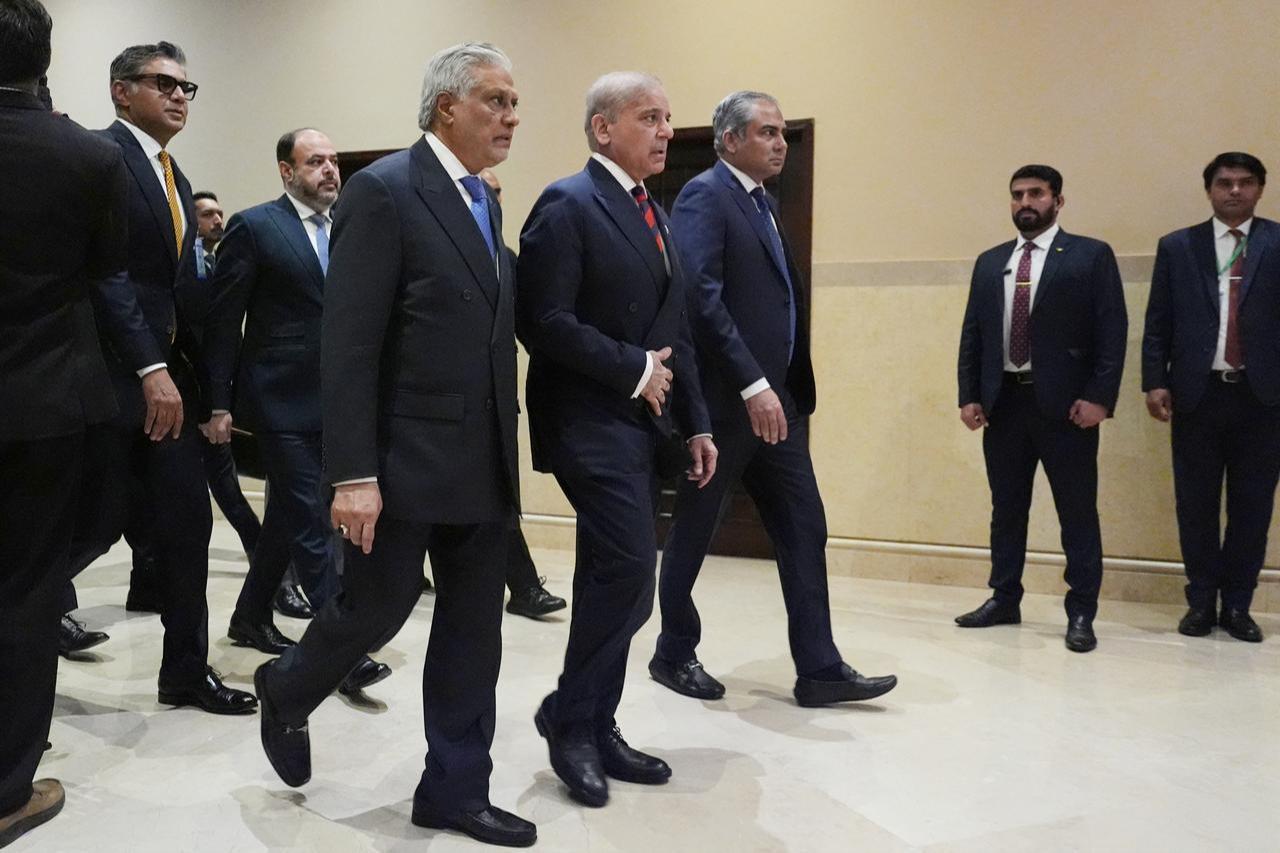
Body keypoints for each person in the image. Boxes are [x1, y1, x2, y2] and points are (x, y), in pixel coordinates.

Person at [253, 43, 535, 848]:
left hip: (482, 459)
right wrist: (352, 473)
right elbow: (348, 345)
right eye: (496, 100)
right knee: (373, 608)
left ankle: (455, 789)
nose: (512, 116)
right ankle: (287, 687)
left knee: (474, 630)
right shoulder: (384, 191)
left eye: (514, 103)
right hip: (401, 460)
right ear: (447, 106)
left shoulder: (483, 200)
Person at [654, 90, 897, 705]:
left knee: (804, 526)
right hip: (726, 404)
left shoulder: (761, 202)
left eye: (783, 133)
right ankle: (672, 652)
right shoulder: (706, 195)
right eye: (767, 132)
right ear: (730, 140)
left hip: (777, 405)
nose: (780, 143)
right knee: (695, 530)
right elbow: (701, 298)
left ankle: (819, 668)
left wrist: (777, 386)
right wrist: (751, 382)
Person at [517, 71, 717, 808]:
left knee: (614, 576)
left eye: (667, 118)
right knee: (632, 571)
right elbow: (542, 320)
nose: (666, 131)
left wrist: (697, 420)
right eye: (649, 117)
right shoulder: (568, 203)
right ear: (603, 128)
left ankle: (592, 723)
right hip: (585, 420)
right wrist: (633, 369)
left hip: (642, 425)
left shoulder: (653, 212)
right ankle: (571, 718)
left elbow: (677, 329)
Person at [63, 40, 257, 712]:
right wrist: (149, 364)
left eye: (185, 87)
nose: (179, 95)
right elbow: (106, 274)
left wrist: (209, 389)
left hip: (167, 386)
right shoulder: (102, 157)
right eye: (162, 83)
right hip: (112, 379)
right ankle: (24, 634)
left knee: (186, 523)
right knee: (88, 525)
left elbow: (176, 290)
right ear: (121, 91)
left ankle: (185, 672)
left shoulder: (172, 173)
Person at [0, 0, 124, 844]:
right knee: (25, 594)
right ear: (43, 59)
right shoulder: (88, 155)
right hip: (41, 404)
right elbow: (106, 270)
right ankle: (7, 786)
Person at [202, 128, 388, 691]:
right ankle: (343, 652)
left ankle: (249, 616)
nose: (329, 170)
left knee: (287, 516)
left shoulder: (349, 228)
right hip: (278, 399)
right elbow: (223, 321)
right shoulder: (256, 226)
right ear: (287, 171)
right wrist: (217, 402)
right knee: (312, 521)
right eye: (315, 162)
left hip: (337, 402)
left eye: (333, 161)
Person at [955, 164, 1127, 653]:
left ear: (1058, 201)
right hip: (1004, 403)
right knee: (1007, 509)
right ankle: (1004, 597)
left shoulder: (1090, 255)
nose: (1025, 202)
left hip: (1068, 407)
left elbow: (1111, 330)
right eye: (1017, 195)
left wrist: (1100, 398)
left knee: (1077, 510)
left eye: (1036, 193)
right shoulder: (991, 262)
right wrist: (969, 393)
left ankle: (1081, 610)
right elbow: (973, 333)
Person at [1142, 152, 1279, 643]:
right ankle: (1201, 601)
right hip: (1197, 396)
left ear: (1260, 188)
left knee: (1252, 506)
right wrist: (1155, 380)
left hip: (1263, 399)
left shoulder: (1277, 242)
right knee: (1195, 504)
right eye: (1224, 183)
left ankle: (1238, 605)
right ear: (1209, 190)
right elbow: (1158, 321)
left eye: (1245, 182)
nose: (1235, 191)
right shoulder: (1178, 246)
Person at [476, 166, 567, 620]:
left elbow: (531, 327)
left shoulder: (506, 257)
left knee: (499, 498)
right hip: (443, 404)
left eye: (497, 192)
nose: (491, 199)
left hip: (497, 401)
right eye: (482, 191)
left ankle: (525, 587)